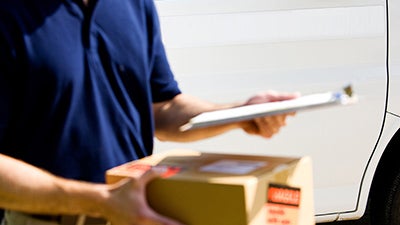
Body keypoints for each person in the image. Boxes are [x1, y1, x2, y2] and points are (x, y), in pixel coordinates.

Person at [0, 0, 298, 224]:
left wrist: (240, 113)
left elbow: (164, 108)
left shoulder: (132, 4)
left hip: (133, 212)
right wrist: (101, 201)